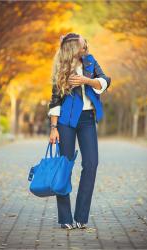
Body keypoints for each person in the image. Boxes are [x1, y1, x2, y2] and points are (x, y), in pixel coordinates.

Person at [48, 33, 111, 230]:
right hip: (66, 121)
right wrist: (53, 128)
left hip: (87, 119)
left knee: (91, 163)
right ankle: (65, 217)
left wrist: (86, 80)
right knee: (65, 165)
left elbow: (105, 80)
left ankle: (81, 216)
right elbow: (55, 99)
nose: (86, 47)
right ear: (74, 48)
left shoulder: (90, 61)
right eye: (83, 45)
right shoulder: (61, 66)